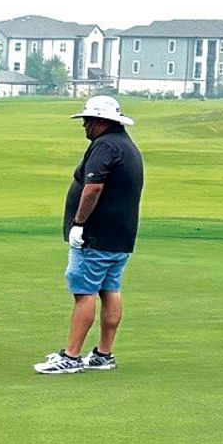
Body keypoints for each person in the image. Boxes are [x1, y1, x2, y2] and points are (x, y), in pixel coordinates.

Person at [35, 96, 144, 374]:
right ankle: (103, 354)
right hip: (120, 235)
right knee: (110, 290)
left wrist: (79, 223)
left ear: (100, 122)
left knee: (84, 293)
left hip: (95, 235)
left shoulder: (105, 145)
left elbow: (93, 188)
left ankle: (71, 357)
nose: (84, 126)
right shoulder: (126, 145)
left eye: (87, 121)